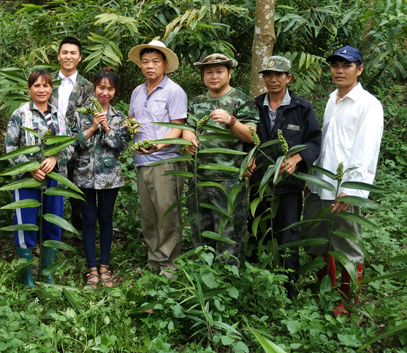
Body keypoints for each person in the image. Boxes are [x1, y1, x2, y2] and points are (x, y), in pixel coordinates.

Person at [303, 46, 383, 315]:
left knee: (347, 246)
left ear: (359, 70)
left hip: (344, 189)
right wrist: (311, 176)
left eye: (347, 65)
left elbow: (366, 151)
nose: (339, 70)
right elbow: (326, 144)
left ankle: (346, 303)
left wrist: (350, 190)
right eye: (335, 65)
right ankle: (325, 291)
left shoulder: (368, 105)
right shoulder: (332, 99)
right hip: (321, 184)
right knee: (318, 241)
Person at [247, 56, 322, 296]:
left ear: (288, 78)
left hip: (288, 185)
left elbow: (314, 141)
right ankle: (258, 284)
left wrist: (296, 159)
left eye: (278, 75)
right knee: (256, 229)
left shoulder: (302, 107)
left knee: (288, 233)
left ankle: (288, 288)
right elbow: (246, 137)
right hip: (259, 183)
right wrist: (247, 158)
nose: (273, 79)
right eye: (268, 75)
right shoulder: (255, 105)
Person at [183, 53, 258, 265]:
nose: (214, 76)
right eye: (209, 72)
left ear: (230, 73)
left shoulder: (242, 100)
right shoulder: (197, 102)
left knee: (228, 234)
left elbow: (252, 135)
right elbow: (187, 128)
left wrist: (231, 121)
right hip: (199, 178)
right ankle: (202, 277)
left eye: (219, 71)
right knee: (200, 231)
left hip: (229, 180)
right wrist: (189, 139)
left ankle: (227, 281)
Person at [5, 70, 72, 286]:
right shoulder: (20, 114)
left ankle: (47, 273)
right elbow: (9, 147)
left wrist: (55, 158)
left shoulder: (59, 116)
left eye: (46, 85)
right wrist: (30, 166)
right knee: (25, 226)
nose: (41, 89)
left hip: (54, 179)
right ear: (29, 89)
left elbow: (69, 146)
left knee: (52, 224)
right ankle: (26, 277)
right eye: (36, 85)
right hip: (27, 179)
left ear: (51, 88)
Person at [127, 39, 188, 277]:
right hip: (142, 161)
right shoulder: (137, 91)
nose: (149, 66)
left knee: (167, 215)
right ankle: (154, 259)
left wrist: (157, 145)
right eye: (145, 61)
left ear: (164, 64)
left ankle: (169, 264)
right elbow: (133, 118)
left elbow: (177, 128)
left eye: (154, 61)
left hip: (166, 161)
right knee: (149, 215)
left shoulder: (174, 91)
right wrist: (130, 125)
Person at [72, 69, 130, 287]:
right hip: (84, 175)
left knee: (106, 220)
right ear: (94, 88)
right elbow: (73, 144)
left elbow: (121, 148)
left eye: (110, 88)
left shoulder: (119, 117)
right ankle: (92, 269)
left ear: (115, 91)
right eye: (101, 87)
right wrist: (92, 127)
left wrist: (106, 127)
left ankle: (104, 266)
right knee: (88, 221)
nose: (105, 92)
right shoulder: (81, 113)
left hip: (109, 177)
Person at [50, 36, 93, 234]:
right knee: (50, 194)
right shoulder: (47, 81)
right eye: (65, 52)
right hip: (51, 148)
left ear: (80, 58)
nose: (68, 56)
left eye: (73, 53)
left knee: (78, 194)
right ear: (59, 56)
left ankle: (79, 237)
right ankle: (50, 237)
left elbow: (87, 118)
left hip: (78, 148)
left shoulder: (87, 87)